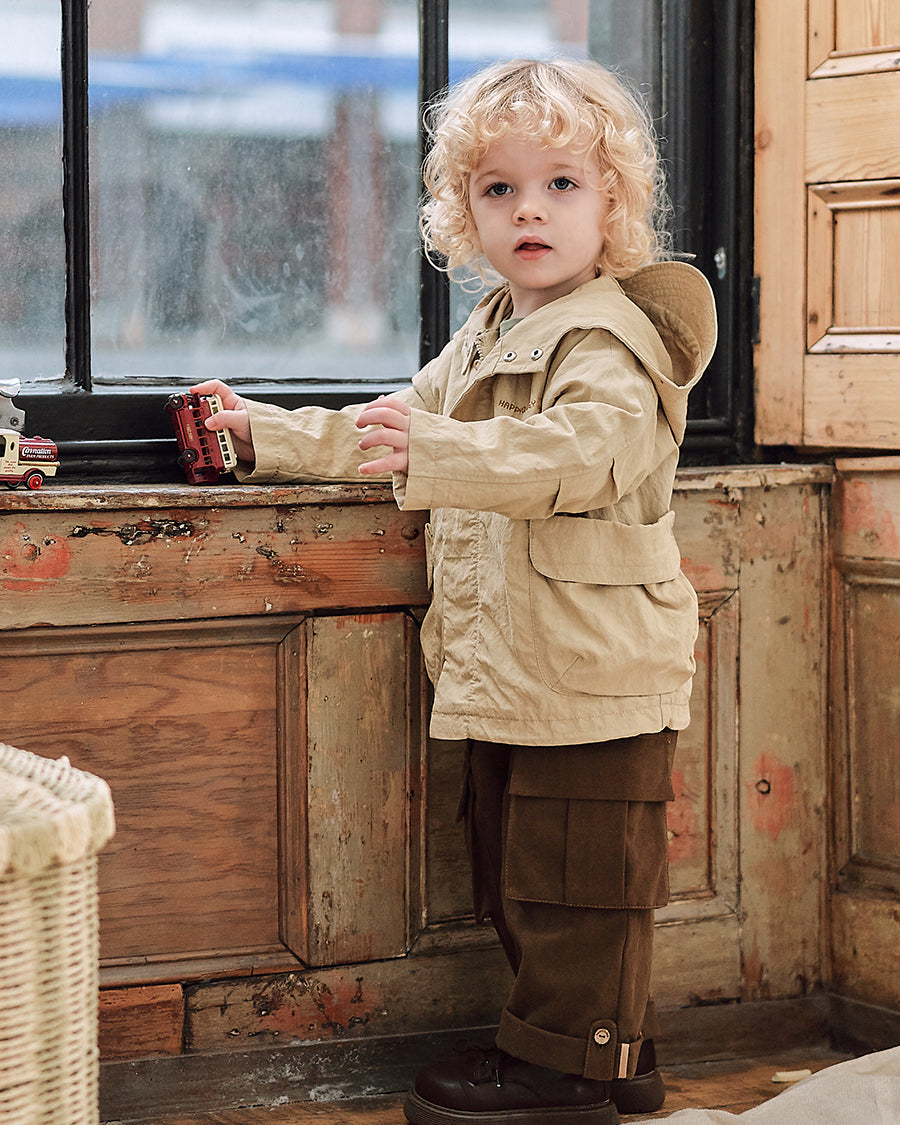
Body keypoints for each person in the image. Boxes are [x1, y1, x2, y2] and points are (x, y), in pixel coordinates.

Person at [193, 56, 716, 1125]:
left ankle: (569, 1073)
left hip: (596, 670)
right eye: (498, 188)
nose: (529, 209)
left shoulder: (610, 341)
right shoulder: (487, 336)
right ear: (463, 211)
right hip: (518, 669)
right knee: (526, 873)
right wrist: (265, 435)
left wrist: (437, 452)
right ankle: (608, 1052)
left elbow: (581, 454)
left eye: (562, 184)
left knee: (582, 884)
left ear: (613, 202)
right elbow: (387, 431)